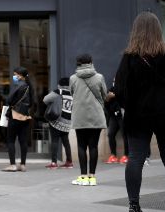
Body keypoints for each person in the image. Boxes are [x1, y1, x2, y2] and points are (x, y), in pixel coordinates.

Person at [112, 11, 165, 212]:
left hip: (139, 115)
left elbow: (119, 89)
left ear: (135, 31)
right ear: (158, 29)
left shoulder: (130, 57)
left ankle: (134, 209)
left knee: (136, 158)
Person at [69, 54, 108, 187]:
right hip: (96, 115)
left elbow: (72, 93)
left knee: (81, 145)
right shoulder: (99, 77)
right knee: (93, 146)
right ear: (91, 62)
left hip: (79, 115)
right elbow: (104, 94)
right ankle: (92, 177)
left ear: (78, 63)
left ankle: (83, 176)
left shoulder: (73, 78)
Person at [1, 67, 34, 172]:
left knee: (10, 140)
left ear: (20, 75)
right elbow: (33, 102)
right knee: (23, 140)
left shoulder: (19, 85)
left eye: (15, 74)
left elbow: (9, 99)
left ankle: (12, 164)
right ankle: (23, 164)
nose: (14, 76)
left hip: (15, 115)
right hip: (26, 116)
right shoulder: (29, 87)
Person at [43, 77, 73, 169]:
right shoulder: (73, 93)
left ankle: (53, 163)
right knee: (66, 141)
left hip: (57, 120)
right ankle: (69, 162)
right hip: (68, 120)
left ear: (60, 84)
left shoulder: (58, 91)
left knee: (55, 140)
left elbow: (45, 99)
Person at [105, 78, 129, 164]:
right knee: (110, 134)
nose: (115, 83)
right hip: (113, 115)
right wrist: (107, 98)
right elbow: (106, 102)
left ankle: (127, 155)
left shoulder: (125, 89)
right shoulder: (111, 90)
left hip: (122, 115)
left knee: (125, 135)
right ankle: (113, 155)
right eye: (114, 81)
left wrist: (116, 95)